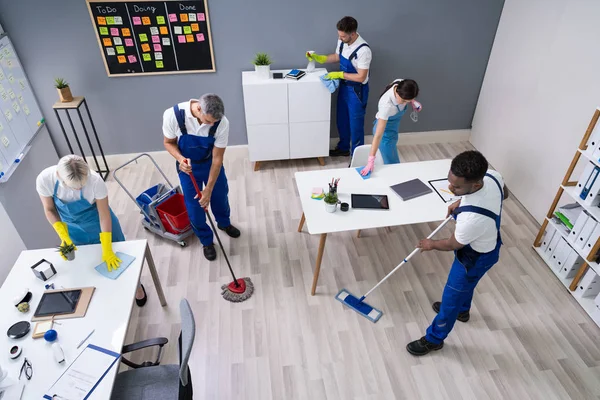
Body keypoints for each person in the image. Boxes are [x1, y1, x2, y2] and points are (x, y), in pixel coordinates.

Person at [406, 151, 509, 356]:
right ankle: (463, 312)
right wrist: (462, 200)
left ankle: (435, 339)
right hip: (486, 242)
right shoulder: (493, 177)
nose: (451, 188)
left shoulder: (471, 220)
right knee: (466, 287)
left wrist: (431, 244)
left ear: (477, 185)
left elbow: (453, 244)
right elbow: (504, 194)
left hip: (475, 258)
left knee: (451, 298)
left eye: (457, 187)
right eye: (450, 182)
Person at [37, 155, 147, 306]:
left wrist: (107, 247)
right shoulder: (45, 180)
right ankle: (110, 294)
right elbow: (49, 210)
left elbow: (104, 215)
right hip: (72, 228)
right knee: (89, 264)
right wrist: (63, 235)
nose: (79, 189)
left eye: (82, 185)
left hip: (99, 222)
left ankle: (137, 287)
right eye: (74, 187)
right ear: (58, 176)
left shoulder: (95, 181)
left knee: (120, 258)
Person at [162, 94, 240, 261]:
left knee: (219, 195)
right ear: (198, 109)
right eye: (208, 121)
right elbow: (168, 142)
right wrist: (179, 159)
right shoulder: (173, 115)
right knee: (194, 206)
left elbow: (218, 158)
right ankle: (206, 241)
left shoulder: (222, 122)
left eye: (214, 122)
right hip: (188, 167)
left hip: (210, 162)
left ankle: (223, 223)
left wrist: (209, 189)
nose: (211, 125)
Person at [307, 16, 372, 158]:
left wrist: (340, 74)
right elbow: (337, 57)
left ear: (353, 34)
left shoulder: (363, 51)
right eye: (339, 35)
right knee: (342, 120)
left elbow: (361, 77)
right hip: (344, 87)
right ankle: (343, 148)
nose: (340, 38)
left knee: (355, 125)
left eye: (343, 36)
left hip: (357, 91)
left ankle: (357, 158)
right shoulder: (343, 40)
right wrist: (321, 58)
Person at [360, 79, 421, 175]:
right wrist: (370, 161)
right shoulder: (386, 105)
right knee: (392, 165)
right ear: (397, 93)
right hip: (384, 135)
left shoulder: (400, 83)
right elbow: (378, 135)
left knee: (392, 162)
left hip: (392, 131)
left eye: (408, 101)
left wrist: (413, 102)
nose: (405, 103)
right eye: (404, 100)